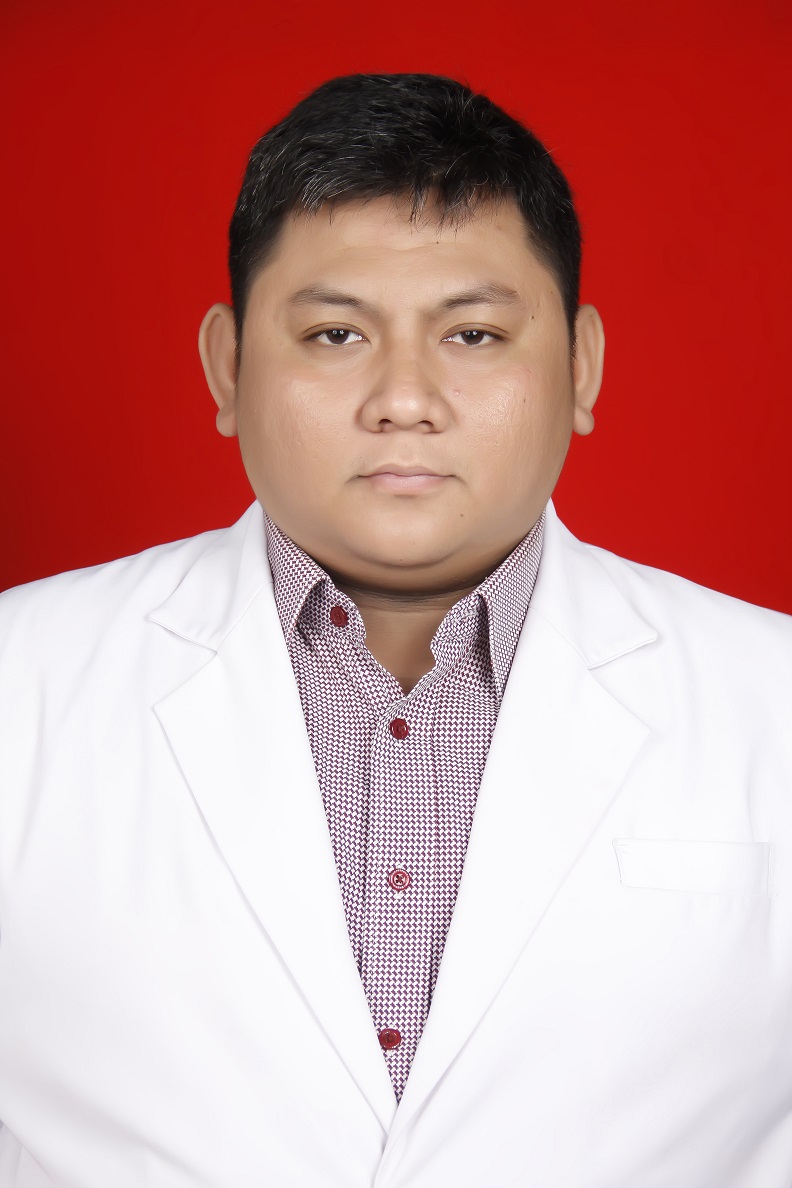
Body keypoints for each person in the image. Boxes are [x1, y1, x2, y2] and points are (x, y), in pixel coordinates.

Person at [0, 72, 790, 1188]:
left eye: (473, 333)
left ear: (581, 366)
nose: (405, 398)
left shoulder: (770, 700)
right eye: (335, 333)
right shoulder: (21, 684)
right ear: (228, 365)